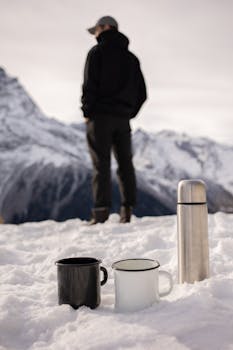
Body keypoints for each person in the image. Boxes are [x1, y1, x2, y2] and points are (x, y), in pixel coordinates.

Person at [81, 15, 147, 224]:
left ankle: (100, 214)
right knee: (125, 164)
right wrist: (128, 112)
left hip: (99, 117)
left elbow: (89, 85)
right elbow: (142, 93)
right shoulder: (131, 59)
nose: (95, 35)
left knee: (101, 164)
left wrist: (87, 111)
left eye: (97, 30)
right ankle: (126, 212)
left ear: (106, 27)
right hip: (122, 119)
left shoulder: (97, 53)